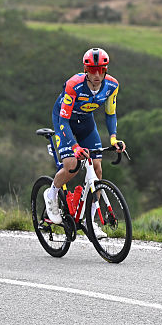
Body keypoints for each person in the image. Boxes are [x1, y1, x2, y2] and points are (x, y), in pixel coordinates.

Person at [44, 47, 127, 234]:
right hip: (64, 121)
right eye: (92, 70)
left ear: (106, 69)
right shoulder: (74, 85)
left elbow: (110, 114)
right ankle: (52, 194)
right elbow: (64, 120)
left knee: (97, 166)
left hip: (86, 123)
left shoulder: (112, 86)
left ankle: (90, 219)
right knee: (72, 165)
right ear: (85, 70)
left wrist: (113, 139)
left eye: (101, 70)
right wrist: (74, 146)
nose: (97, 74)